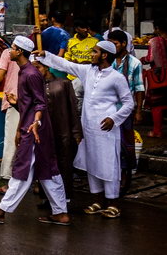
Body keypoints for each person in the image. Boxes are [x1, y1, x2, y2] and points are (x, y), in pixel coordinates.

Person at [35, 39, 134, 219]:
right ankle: (97, 200)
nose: (91, 54)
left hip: (107, 128)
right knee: (92, 162)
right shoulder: (88, 71)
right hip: (89, 127)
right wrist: (46, 56)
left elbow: (129, 103)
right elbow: (67, 65)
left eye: (95, 52)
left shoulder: (117, 77)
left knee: (109, 164)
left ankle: (113, 203)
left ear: (104, 55)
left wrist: (114, 118)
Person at [0, 36, 70, 226]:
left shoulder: (31, 74)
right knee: (47, 171)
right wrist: (17, 104)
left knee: (23, 170)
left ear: (19, 51)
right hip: (30, 126)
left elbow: (40, 104)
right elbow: (29, 105)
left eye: (12, 48)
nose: (9, 51)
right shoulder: (24, 72)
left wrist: (34, 123)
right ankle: (60, 213)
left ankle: (2, 211)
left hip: (35, 129)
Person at [34, 59, 82, 198]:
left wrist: (76, 131)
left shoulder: (64, 83)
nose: (36, 72)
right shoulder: (36, 86)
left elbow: (73, 108)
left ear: (47, 67)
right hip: (44, 131)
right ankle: (47, 197)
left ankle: (65, 196)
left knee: (64, 164)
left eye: (38, 67)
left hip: (63, 130)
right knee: (45, 163)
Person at [110, 29, 144, 195]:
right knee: (110, 144)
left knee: (126, 144)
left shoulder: (135, 64)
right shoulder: (108, 62)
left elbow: (139, 88)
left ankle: (125, 175)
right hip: (107, 109)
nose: (113, 47)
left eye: (115, 44)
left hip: (125, 110)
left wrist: (138, 110)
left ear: (124, 44)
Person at [0, 41, 21, 195]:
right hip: (29, 103)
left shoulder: (7, 53)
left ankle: (8, 182)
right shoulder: (35, 53)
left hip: (14, 101)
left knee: (11, 142)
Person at [144, 19, 167, 138]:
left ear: (157, 29)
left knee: (157, 105)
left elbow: (150, 58)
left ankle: (157, 131)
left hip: (160, 77)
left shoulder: (154, 41)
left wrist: (141, 60)